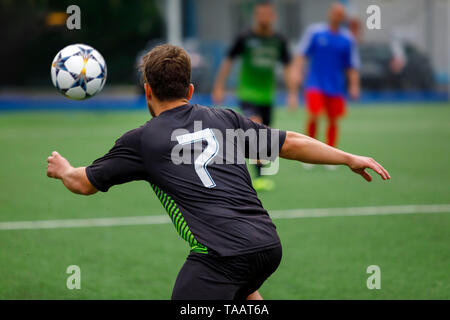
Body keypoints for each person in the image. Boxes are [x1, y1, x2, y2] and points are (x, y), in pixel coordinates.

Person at [46, 44, 390, 300]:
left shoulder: (142, 140)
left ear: (147, 91)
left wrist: (63, 169)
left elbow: (83, 184)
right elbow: (290, 143)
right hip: (267, 245)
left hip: (221, 256)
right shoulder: (225, 119)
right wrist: (347, 157)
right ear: (190, 90)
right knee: (242, 290)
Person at [212, 0, 296, 190]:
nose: (264, 18)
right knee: (256, 129)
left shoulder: (279, 40)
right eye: (260, 14)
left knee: (265, 137)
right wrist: (219, 86)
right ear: (255, 16)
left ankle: (257, 174)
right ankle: (256, 178)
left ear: (273, 16)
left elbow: (288, 66)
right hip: (248, 93)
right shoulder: (245, 38)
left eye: (267, 14)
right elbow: (228, 61)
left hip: (267, 96)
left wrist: (292, 93)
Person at [290, 2, 361, 169]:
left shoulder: (347, 39)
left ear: (343, 17)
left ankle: (331, 154)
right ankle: (308, 153)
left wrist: (354, 85)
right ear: (330, 14)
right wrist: (297, 72)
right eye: (335, 13)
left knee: (333, 120)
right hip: (315, 84)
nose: (337, 16)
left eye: (340, 14)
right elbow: (301, 55)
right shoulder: (315, 32)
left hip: (336, 87)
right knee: (314, 115)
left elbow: (352, 66)